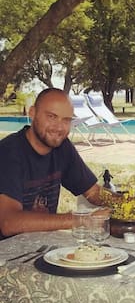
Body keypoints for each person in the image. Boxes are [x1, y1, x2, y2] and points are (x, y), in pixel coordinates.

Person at [0, 88, 109, 239]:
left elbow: (93, 192)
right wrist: (83, 219)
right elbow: (8, 223)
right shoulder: (8, 152)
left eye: (66, 120)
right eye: (51, 116)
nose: (59, 127)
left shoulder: (61, 147)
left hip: (38, 246)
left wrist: (129, 203)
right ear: (32, 113)